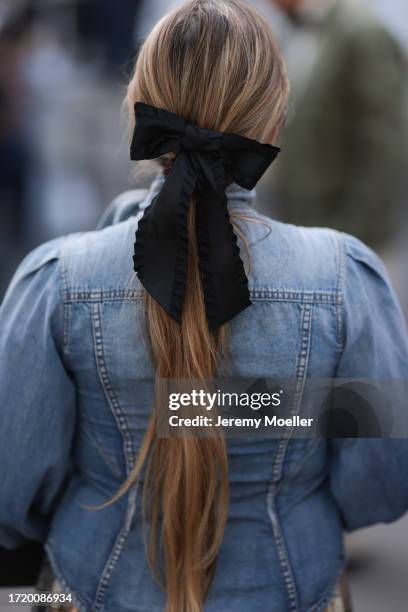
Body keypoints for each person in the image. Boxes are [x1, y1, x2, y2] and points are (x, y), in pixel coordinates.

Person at [0, 2, 408, 611]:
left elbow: (14, 486)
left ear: (139, 104)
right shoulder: (345, 281)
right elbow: (379, 483)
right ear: (274, 118)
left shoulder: (55, 282)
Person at [252, 0, 407, 249]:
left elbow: (383, 149)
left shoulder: (362, 31)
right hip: (306, 229)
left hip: (348, 242)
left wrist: (350, 240)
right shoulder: (296, 30)